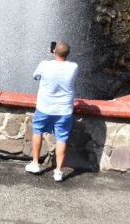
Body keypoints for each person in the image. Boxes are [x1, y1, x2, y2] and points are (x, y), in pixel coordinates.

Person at [27, 41, 78, 182]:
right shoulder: (74, 67)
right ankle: (58, 172)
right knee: (61, 138)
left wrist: (51, 57)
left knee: (37, 131)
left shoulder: (45, 65)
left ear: (54, 51)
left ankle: (36, 164)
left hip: (44, 108)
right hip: (64, 110)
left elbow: (35, 76)